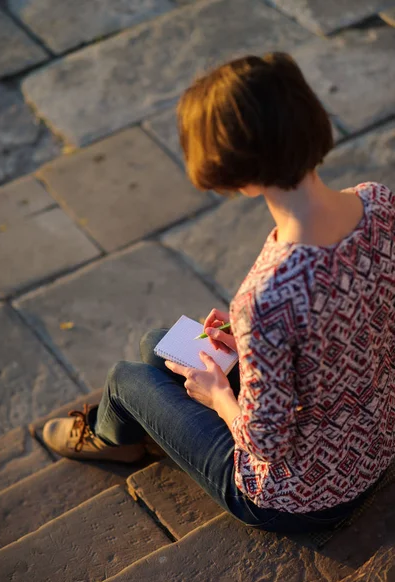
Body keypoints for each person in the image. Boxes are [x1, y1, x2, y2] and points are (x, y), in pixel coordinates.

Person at [43, 53, 395, 534]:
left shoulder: (265, 296)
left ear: (239, 176)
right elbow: (355, 313)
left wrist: (217, 398)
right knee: (159, 343)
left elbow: (265, 443)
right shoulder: (379, 202)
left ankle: (114, 439)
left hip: (305, 496)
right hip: (376, 438)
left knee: (127, 378)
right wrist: (250, 344)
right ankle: (136, 427)